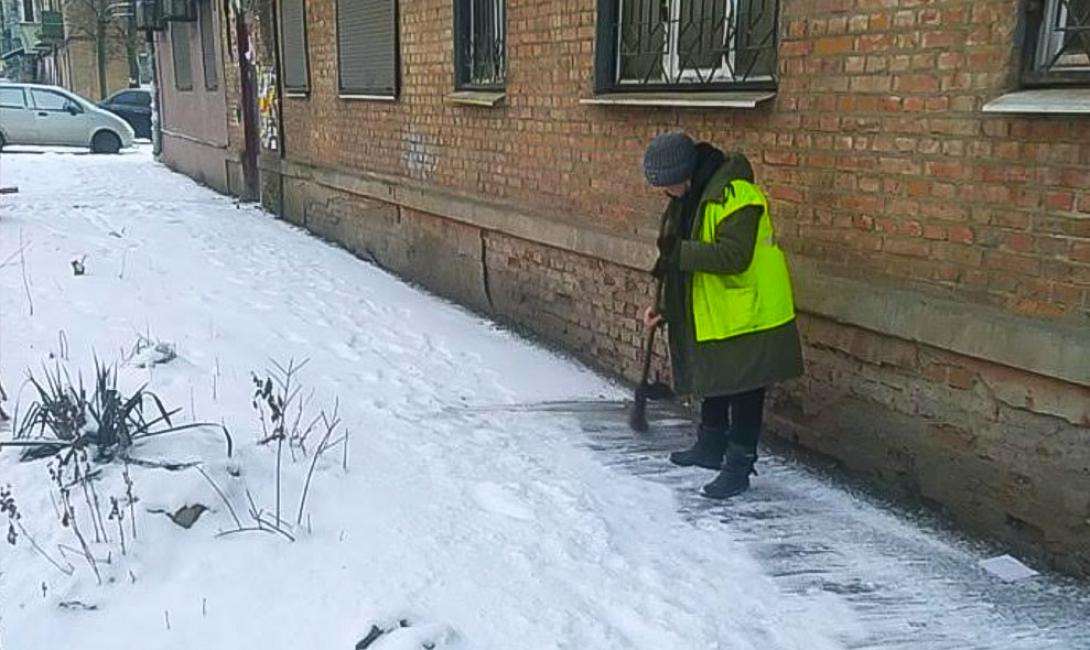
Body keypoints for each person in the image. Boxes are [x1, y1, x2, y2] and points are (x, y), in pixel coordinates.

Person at [641, 132, 804, 499]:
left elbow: (733, 256)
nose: (663, 192)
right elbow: (677, 259)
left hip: (752, 311)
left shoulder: (737, 196)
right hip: (719, 311)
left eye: (666, 183)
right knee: (715, 378)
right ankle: (710, 446)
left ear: (685, 173)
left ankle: (738, 466)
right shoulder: (686, 199)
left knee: (745, 390)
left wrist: (677, 252)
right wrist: (664, 308)